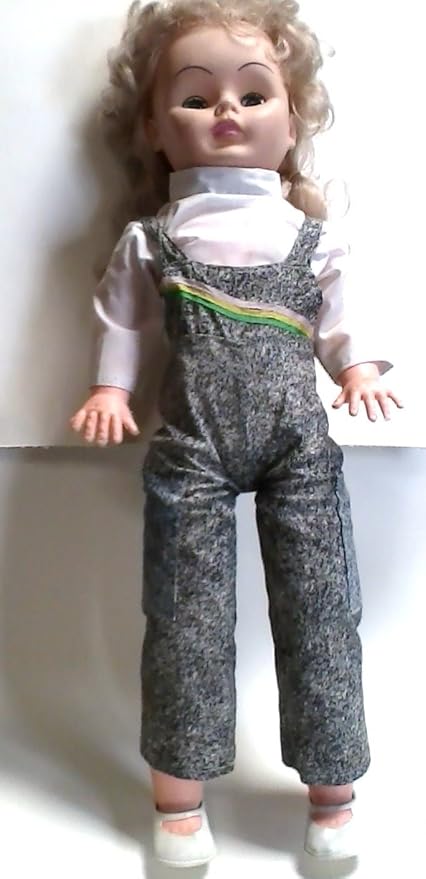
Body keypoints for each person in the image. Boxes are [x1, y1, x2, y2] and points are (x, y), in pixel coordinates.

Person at [70, 0, 402, 866]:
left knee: (322, 612)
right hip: (193, 448)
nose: (227, 108)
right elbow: (124, 321)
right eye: (196, 95)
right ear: (155, 128)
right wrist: (110, 388)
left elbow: (343, 319)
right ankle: (178, 798)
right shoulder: (153, 239)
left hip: (300, 450)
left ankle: (333, 791)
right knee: (184, 617)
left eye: (254, 95)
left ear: (292, 122)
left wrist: (358, 369)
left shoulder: (310, 238)